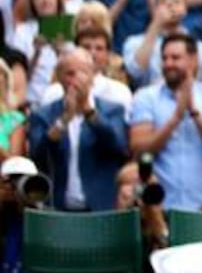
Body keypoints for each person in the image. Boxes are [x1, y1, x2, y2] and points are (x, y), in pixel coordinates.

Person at [129, 33, 202, 211]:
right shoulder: (145, 97)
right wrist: (175, 118)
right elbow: (139, 147)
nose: (168, 64)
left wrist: (194, 111)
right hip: (161, 208)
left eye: (176, 58)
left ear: (194, 60)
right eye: (165, 58)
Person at [27, 48, 129, 211]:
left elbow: (118, 146)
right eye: (69, 74)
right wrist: (63, 121)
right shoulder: (43, 115)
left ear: (92, 76)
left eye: (83, 73)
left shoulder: (112, 110)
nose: (76, 80)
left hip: (100, 210)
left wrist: (89, 112)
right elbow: (37, 156)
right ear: (59, 78)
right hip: (58, 210)